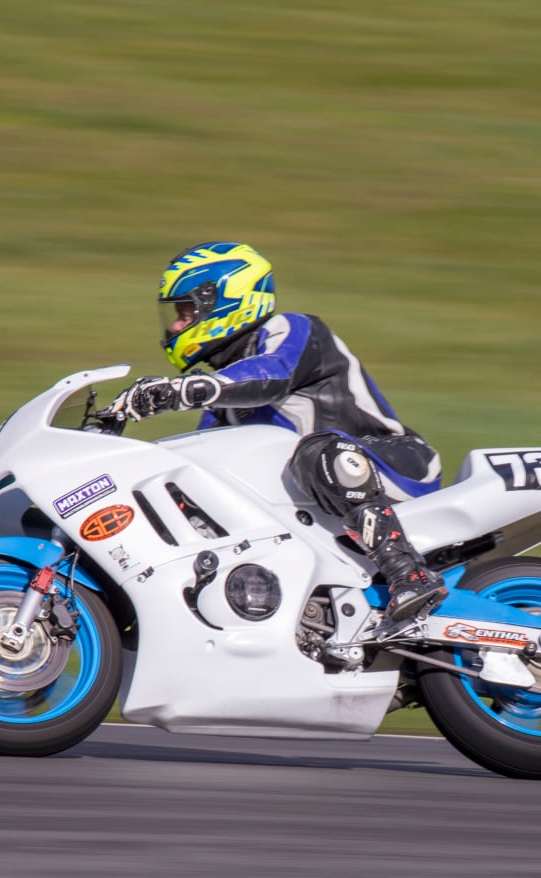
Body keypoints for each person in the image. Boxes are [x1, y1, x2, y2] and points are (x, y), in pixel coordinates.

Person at [110, 241, 447, 622]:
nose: (175, 326)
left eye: (185, 312)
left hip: (394, 464)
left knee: (318, 452)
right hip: (319, 505)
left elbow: (273, 373)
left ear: (223, 301)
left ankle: (410, 573)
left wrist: (182, 391)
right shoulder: (223, 399)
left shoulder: (293, 329)